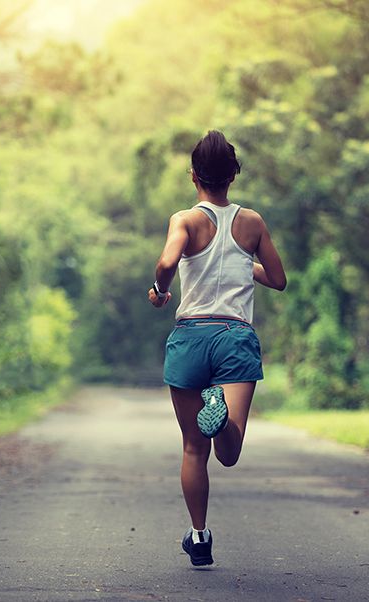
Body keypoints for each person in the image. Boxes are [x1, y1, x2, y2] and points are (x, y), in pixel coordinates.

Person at [148, 130, 287, 566]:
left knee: (193, 448)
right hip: (234, 337)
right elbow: (279, 280)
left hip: (191, 337)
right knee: (228, 453)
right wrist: (248, 264)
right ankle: (222, 417)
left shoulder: (185, 220)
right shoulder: (253, 222)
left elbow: (168, 262)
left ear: (194, 176)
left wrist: (159, 289)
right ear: (234, 175)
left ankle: (200, 536)